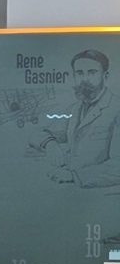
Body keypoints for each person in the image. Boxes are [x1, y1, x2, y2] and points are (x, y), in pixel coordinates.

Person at [33, 50, 120, 187]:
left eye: (92, 72)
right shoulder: (74, 109)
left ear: (105, 76)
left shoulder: (117, 109)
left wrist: (74, 176)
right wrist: (50, 144)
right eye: (79, 73)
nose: (85, 79)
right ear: (74, 76)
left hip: (102, 193)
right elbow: (38, 133)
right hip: (73, 192)